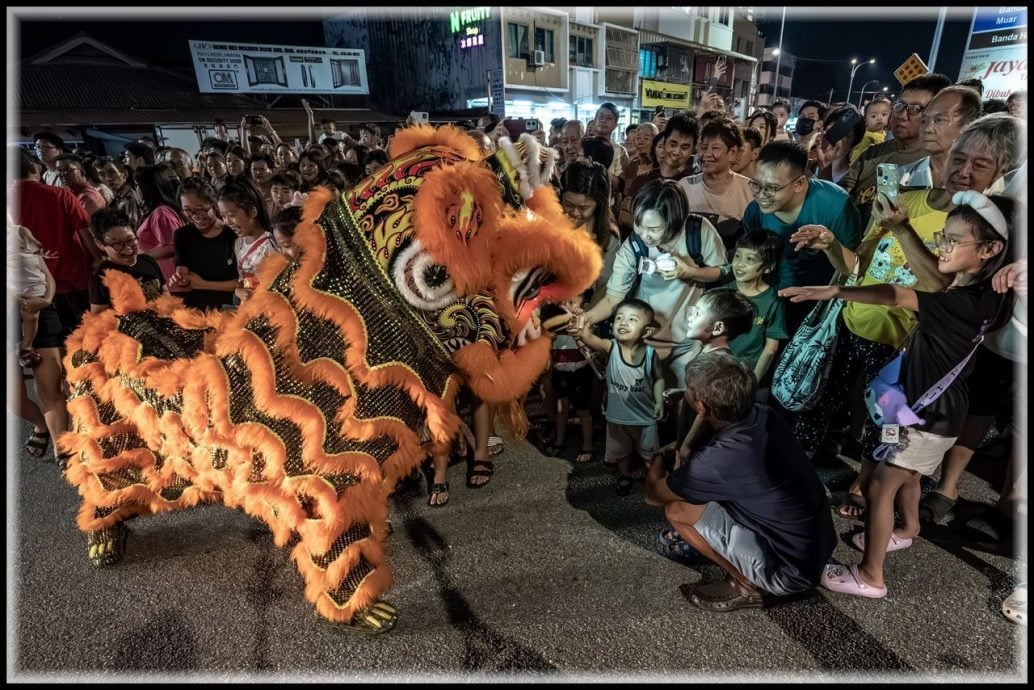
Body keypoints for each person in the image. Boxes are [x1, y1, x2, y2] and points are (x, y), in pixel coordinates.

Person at [780, 192, 1015, 600]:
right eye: (942, 236)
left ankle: (870, 575)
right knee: (908, 477)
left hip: (926, 416)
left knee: (879, 487)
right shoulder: (989, 294)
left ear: (990, 249)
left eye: (952, 240)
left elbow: (897, 295)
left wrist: (835, 292)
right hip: (936, 410)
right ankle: (907, 528)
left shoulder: (961, 302)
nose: (941, 247)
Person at [645, 350, 836, 611]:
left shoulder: (715, 462)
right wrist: (686, 445)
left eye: (689, 389)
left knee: (678, 509)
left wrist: (657, 458)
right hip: (813, 547)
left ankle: (748, 585)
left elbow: (653, 495)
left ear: (701, 406)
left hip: (786, 572)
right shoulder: (763, 414)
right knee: (701, 495)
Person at [575, 178, 726, 389]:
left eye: (654, 229)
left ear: (675, 221)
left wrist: (691, 272)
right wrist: (586, 318)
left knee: (684, 395)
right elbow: (613, 298)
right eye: (639, 224)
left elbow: (721, 271)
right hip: (642, 339)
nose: (644, 235)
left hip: (687, 342)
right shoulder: (635, 245)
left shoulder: (698, 232)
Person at [740, 141, 863, 334]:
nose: (761, 195)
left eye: (771, 188)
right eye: (756, 184)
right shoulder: (754, 212)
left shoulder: (836, 205)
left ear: (798, 184)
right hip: (772, 303)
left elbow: (855, 270)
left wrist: (831, 246)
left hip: (820, 309)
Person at [839, 73, 953, 225]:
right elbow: (840, 198)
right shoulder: (871, 154)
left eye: (915, 109)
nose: (902, 115)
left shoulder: (938, 166)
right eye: (900, 105)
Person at [577, 298, 665, 495]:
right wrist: (581, 321)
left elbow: (659, 378)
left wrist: (659, 401)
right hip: (617, 418)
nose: (623, 322)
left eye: (632, 319)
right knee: (621, 452)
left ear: (646, 331)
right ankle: (624, 477)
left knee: (650, 453)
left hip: (645, 418)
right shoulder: (611, 347)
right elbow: (587, 337)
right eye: (619, 318)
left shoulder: (651, 354)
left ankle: (653, 482)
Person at [10, 148, 97, 337]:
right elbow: (86, 231)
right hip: (72, 276)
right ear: (33, 167)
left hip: (32, 284)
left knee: (53, 337)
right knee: (88, 330)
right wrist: (98, 258)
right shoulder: (60, 195)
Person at [719, 231, 787, 385]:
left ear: (768, 267)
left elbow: (771, 348)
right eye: (737, 256)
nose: (739, 263)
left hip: (745, 373)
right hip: (716, 367)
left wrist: (754, 382)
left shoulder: (772, 300)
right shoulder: (721, 294)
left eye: (749, 259)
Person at [620, 113, 701, 239]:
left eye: (685, 147)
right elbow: (624, 216)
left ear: (693, 150)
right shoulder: (643, 180)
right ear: (664, 143)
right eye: (673, 144)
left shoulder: (694, 185)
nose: (677, 151)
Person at [679, 118, 753, 252]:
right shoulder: (684, 187)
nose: (707, 154)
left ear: (733, 153)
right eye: (704, 147)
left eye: (715, 148)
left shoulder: (749, 190)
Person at [167, 176, 239, 310]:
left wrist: (203, 284)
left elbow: (242, 283)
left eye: (200, 209)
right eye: (187, 210)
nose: (194, 215)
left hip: (227, 308)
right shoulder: (182, 235)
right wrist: (180, 278)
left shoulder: (232, 234)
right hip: (194, 308)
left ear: (213, 204)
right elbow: (182, 268)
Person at [88, 207, 165, 313]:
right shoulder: (101, 276)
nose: (128, 248)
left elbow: (165, 293)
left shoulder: (148, 261)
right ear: (100, 244)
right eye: (118, 244)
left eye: (131, 240)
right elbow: (98, 316)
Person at [218, 177, 277, 304]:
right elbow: (244, 279)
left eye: (232, 215)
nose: (227, 222)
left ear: (252, 211)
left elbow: (274, 282)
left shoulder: (271, 245)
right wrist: (238, 289)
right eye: (223, 216)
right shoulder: (239, 242)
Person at [8, 220, 55, 369]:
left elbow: (33, 243)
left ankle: (26, 347)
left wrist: (47, 300)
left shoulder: (18, 232)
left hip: (31, 287)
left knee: (31, 315)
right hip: (14, 291)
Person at [134, 165, 185, 281]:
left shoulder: (161, 213)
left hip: (170, 276)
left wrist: (141, 257)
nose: (136, 189)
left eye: (137, 185)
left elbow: (172, 247)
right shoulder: (157, 211)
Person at [814, 106, 866, 185]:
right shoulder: (808, 166)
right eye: (832, 131)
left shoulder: (854, 180)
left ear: (853, 146)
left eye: (845, 136)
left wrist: (825, 172)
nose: (836, 141)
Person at [96, 156, 145, 230]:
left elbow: (134, 228)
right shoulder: (118, 196)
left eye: (112, 172)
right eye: (102, 174)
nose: (108, 178)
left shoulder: (129, 197)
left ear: (124, 173)